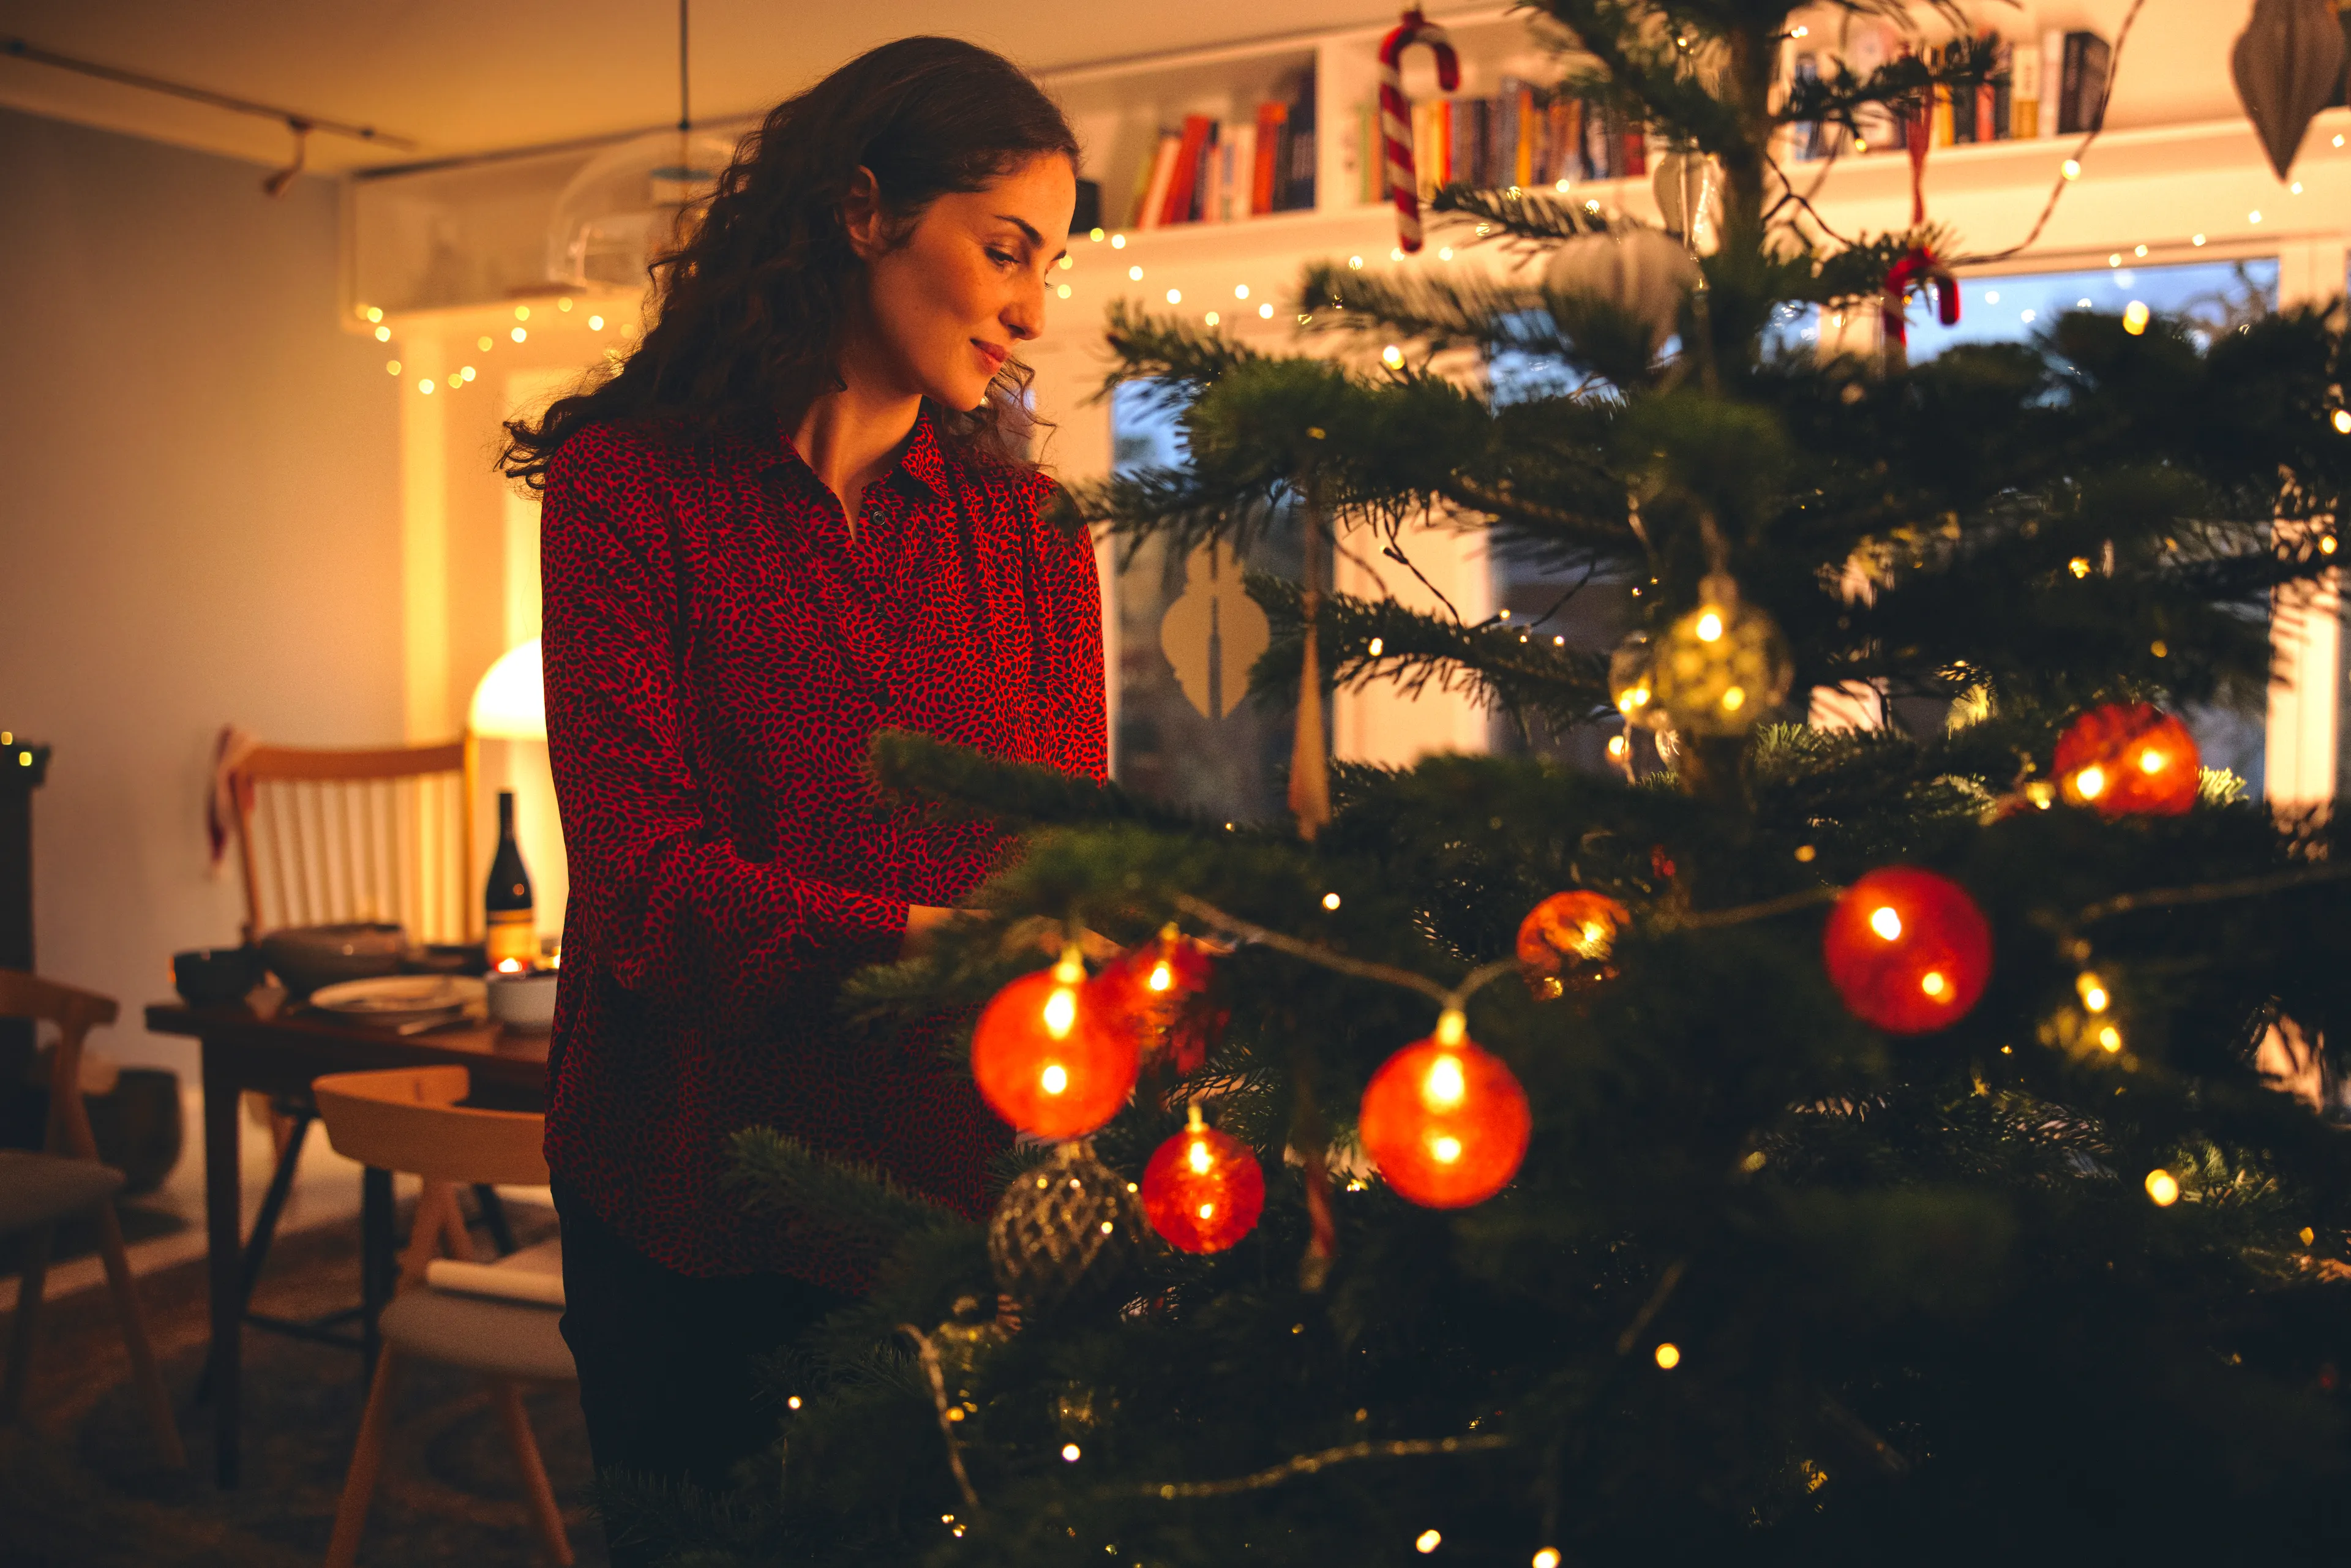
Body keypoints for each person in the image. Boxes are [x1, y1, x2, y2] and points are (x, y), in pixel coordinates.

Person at [498, 36, 1100, 1560]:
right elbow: (644, 882)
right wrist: (933, 938)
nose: (1036, 306)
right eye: (1006, 248)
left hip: (946, 1207)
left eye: (1054, 260)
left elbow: (1064, 865)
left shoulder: (1033, 536)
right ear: (862, 212)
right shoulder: (628, 490)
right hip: (682, 1193)